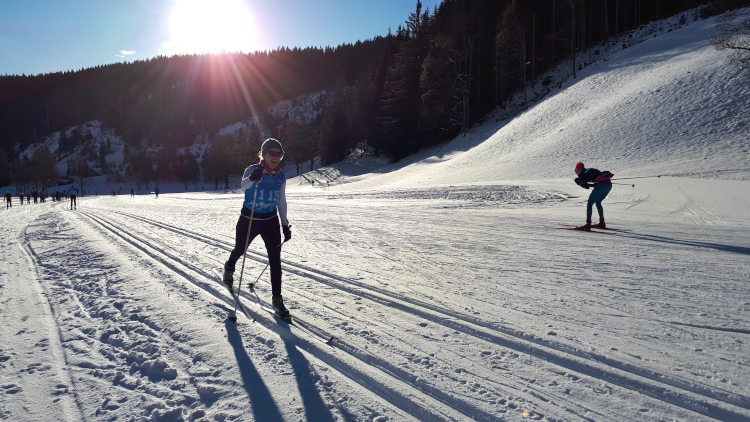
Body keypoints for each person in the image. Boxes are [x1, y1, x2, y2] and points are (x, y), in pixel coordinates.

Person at [223, 138, 292, 317]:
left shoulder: (281, 176)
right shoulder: (252, 170)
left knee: (275, 259)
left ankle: (277, 299)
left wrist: (284, 224)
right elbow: (243, 185)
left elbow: (281, 200)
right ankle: (229, 267)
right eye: (272, 153)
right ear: (263, 154)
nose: (276, 157)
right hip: (249, 218)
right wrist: (253, 178)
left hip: (270, 220)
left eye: (279, 154)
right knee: (240, 248)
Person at [574, 162, 613, 229]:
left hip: (601, 186)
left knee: (590, 203)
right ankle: (601, 222)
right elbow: (595, 183)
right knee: (598, 202)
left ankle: (588, 224)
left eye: (575, 171)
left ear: (577, 169)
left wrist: (580, 184)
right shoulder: (589, 170)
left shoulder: (581, 174)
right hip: (609, 185)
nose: (576, 172)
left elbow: (586, 187)